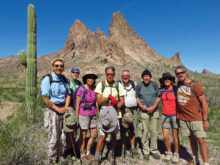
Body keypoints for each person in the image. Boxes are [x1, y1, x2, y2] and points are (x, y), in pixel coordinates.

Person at [175, 66, 210, 165]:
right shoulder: (178, 84)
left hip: (196, 118)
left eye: (182, 72)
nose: (180, 74)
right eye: (178, 73)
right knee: (192, 140)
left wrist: (205, 120)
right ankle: (196, 160)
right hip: (183, 119)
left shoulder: (195, 84)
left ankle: (206, 163)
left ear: (186, 72)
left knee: (201, 140)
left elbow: (204, 102)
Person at [41, 59, 72, 164]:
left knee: (64, 135)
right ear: (52, 67)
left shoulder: (65, 79)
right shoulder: (47, 79)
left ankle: (62, 155)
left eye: (61, 66)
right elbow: (45, 98)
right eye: (57, 65)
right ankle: (52, 159)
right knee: (53, 135)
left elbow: (68, 94)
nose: (59, 67)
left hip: (63, 108)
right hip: (52, 110)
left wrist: (65, 108)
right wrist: (57, 109)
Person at [92, 66, 125, 165]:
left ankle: (111, 153)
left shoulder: (118, 85)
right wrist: (108, 98)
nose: (110, 76)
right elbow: (98, 101)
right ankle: (97, 158)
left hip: (115, 114)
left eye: (111, 74)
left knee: (114, 136)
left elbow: (122, 100)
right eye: (108, 74)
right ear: (105, 74)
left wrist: (116, 106)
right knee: (102, 136)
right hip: (104, 114)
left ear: (114, 74)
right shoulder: (100, 85)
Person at [135, 69, 161, 160]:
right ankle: (146, 151)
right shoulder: (139, 85)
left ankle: (153, 150)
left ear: (150, 77)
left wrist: (154, 107)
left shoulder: (154, 84)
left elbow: (158, 97)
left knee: (153, 131)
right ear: (142, 77)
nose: (146, 78)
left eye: (148, 76)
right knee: (145, 131)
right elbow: (137, 97)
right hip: (143, 111)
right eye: (145, 76)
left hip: (154, 111)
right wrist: (141, 106)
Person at [75, 71, 98, 164]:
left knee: (93, 135)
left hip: (92, 114)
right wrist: (77, 116)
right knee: (83, 136)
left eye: (92, 78)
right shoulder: (81, 89)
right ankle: (82, 154)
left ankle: (88, 151)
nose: (90, 79)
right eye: (88, 77)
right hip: (83, 114)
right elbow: (77, 103)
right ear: (85, 79)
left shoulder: (94, 89)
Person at [159, 72, 179, 163]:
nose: (167, 80)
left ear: (171, 80)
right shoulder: (161, 90)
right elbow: (156, 100)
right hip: (165, 115)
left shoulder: (175, 89)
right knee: (165, 136)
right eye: (165, 79)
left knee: (175, 136)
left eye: (168, 79)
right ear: (163, 81)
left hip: (175, 115)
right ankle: (169, 153)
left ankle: (176, 154)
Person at [119, 70, 138, 157]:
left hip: (133, 110)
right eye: (123, 75)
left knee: (132, 130)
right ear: (121, 77)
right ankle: (123, 147)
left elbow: (139, 95)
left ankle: (133, 147)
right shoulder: (118, 85)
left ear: (129, 76)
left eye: (127, 75)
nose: (125, 77)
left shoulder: (135, 84)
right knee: (122, 130)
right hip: (122, 110)